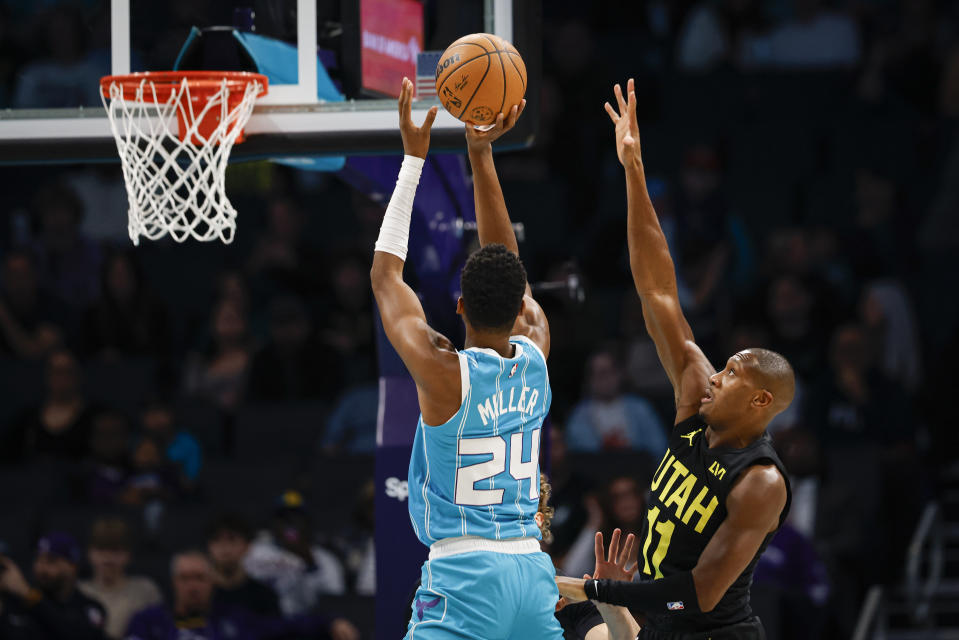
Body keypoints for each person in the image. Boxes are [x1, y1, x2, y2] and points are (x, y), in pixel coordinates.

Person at [556, 79, 792, 639]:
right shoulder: (695, 396)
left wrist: (599, 591)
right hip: (653, 612)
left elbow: (701, 593)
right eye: (723, 366)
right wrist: (634, 171)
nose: (715, 376)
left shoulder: (760, 481)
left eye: (732, 374)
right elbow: (657, 291)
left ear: (761, 401)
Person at [371, 77, 561, 639]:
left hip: (464, 572)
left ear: (458, 306)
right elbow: (509, 264)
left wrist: (412, 160)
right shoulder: (537, 349)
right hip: (532, 569)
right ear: (521, 303)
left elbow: (386, 278)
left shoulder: (441, 371)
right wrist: (482, 153)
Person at [126, 550, 354, 640]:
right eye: (185, 579)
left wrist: (331, 622)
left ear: (212, 583)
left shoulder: (234, 620)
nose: (193, 586)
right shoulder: (148, 621)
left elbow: (288, 625)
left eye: (199, 578)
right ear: (174, 583)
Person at [243, 491, 347, 616]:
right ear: (273, 523)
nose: (290, 524)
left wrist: (310, 564)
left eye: (296, 518)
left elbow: (334, 603)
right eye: (284, 518)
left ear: (308, 523)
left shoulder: (325, 560)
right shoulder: (255, 552)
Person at [0, 532, 107, 640]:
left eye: (51, 561)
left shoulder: (90, 608)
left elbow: (74, 634)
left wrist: (29, 594)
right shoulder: (19, 602)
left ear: (72, 566)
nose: (41, 568)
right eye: (38, 560)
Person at [566, 348, 667, 455]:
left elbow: (659, 448)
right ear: (589, 379)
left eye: (607, 372)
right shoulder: (578, 416)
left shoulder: (641, 409)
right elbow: (577, 456)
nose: (603, 379)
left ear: (619, 374)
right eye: (597, 374)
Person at [79, 518, 162, 639]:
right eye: (101, 550)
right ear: (90, 553)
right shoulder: (79, 592)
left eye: (115, 551)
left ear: (128, 554)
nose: (107, 559)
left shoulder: (145, 591)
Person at [206, 513, 281, 618]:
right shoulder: (197, 596)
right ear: (209, 547)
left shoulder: (265, 597)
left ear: (247, 546)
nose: (224, 546)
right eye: (216, 539)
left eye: (231, 539)